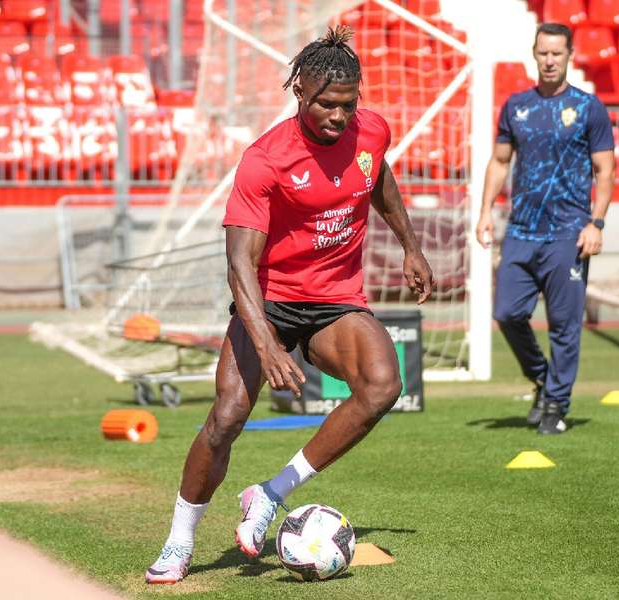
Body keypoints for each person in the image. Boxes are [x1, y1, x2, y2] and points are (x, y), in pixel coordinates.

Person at [145, 25, 434, 584]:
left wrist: (410, 245)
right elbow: (239, 266)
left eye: (348, 105)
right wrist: (268, 346)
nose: (339, 116)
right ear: (300, 92)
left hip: (335, 300)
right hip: (270, 299)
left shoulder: (371, 132)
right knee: (227, 417)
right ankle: (179, 542)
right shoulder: (265, 159)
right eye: (327, 104)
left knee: (382, 385)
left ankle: (270, 494)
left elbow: (378, 181)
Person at [476, 23, 615, 435]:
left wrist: (597, 223)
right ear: (534, 55)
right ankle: (541, 378)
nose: (549, 60)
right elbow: (500, 162)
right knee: (506, 312)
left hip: (569, 233)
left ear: (570, 54)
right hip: (521, 230)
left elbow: (604, 170)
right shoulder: (516, 105)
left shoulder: (589, 108)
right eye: (543, 53)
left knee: (564, 325)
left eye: (557, 53)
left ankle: (556, 405)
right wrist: (485, 211)